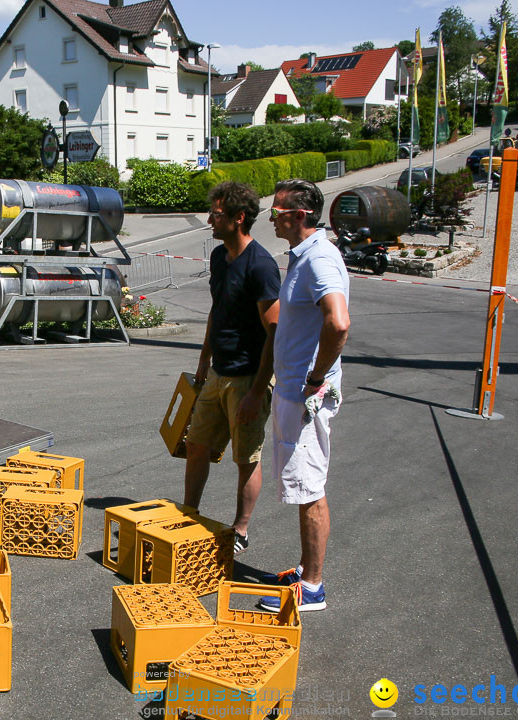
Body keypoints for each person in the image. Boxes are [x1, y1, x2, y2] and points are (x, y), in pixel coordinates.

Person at [259, 179, 350, 613]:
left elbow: (339, 322)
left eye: (276, 211)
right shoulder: (304, 257)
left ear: (298, 216)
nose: (270, 217)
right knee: (302, 484)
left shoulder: (319, 259)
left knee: (310, 486)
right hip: (295, 390)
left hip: (305, 394)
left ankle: (313, 587)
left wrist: (315, 377)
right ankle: (306, 570)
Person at [183, 181, 280, 554]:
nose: (209, 219)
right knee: (196, 445)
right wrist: (204, 361)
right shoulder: (218, 258)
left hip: (247, 377)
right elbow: (217, 310)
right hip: (219, 371)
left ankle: (240, 528)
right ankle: (188, 513)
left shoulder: (261, 266)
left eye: (217, 214)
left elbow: (274, 331)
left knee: (245, 458)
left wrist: (257, 392)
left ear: (239, 218)